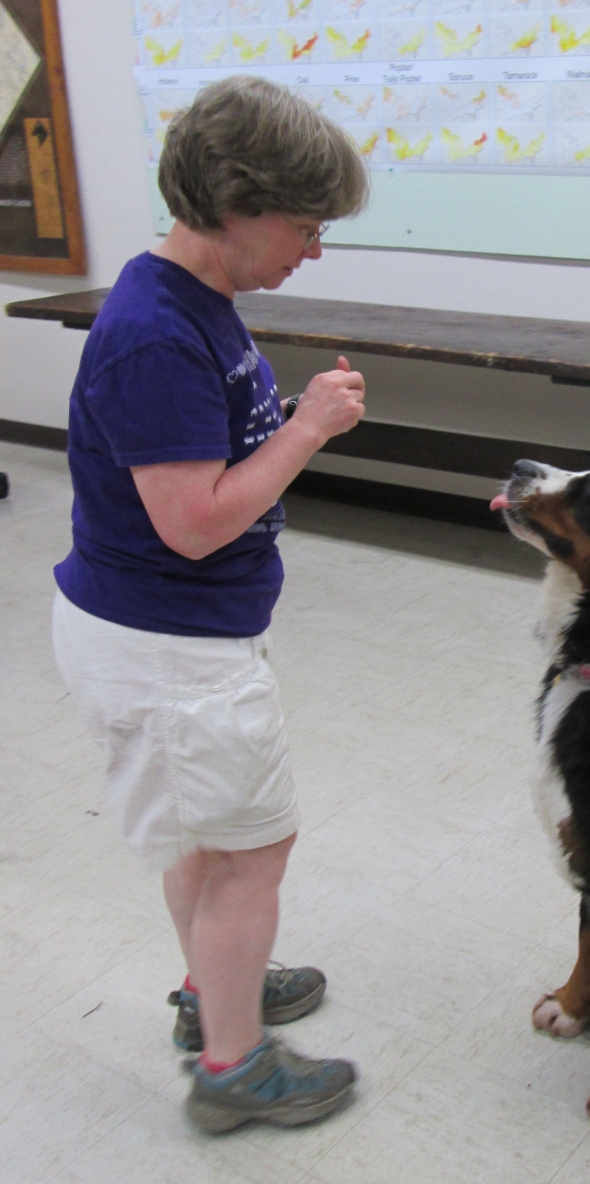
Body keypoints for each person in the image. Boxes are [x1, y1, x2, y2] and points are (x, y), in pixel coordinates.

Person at [52, 76, 369, 1133]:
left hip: (159, 637)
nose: (314, 250)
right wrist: (310, 424)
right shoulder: (154, 334)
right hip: (169, 648)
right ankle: (233, 1064)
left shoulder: (196, 303)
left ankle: (210, 990)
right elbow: (194, 521)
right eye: (306, 225)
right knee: (249, 853)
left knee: (208, 837)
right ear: (239, 204)